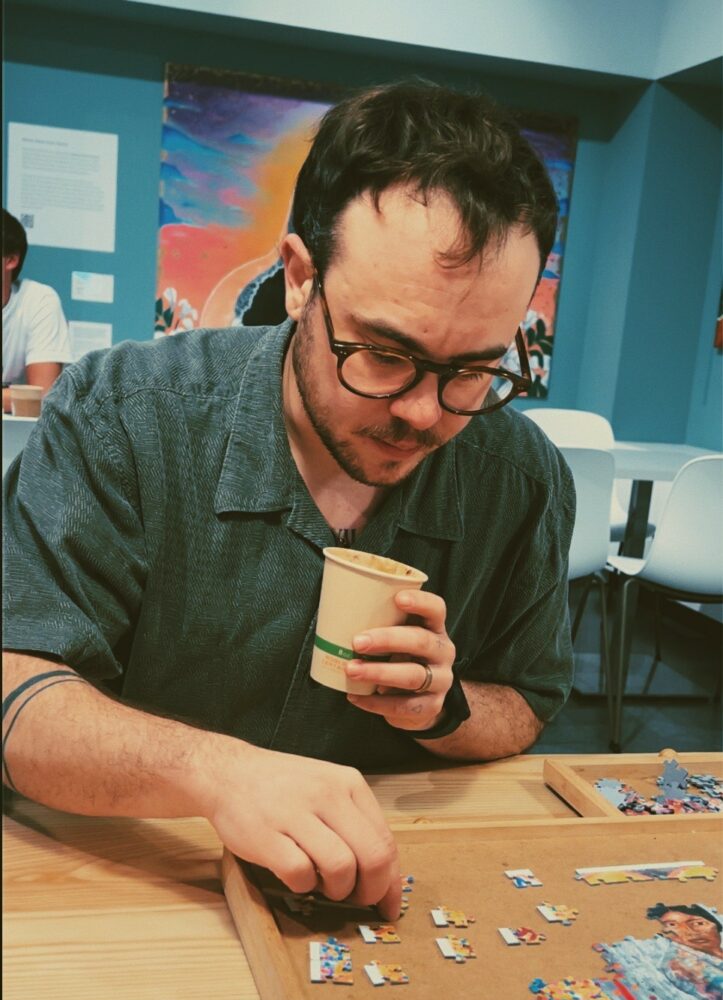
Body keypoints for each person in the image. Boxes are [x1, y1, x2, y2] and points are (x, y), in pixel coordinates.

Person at [3, 80, 574, 920]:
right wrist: (214, 771)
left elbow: (526, 701)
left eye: (474, 369)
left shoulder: (519, 476)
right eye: (383, 353)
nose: (423, 413)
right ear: (300, 278)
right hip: (119, 872)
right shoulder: (125, 412)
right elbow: (16, 684)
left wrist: (443, 708)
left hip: (386, 894)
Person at [2, 209, 72, 413]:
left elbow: (42, 395)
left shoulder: (39, 301)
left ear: (10, 260)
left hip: (21, 439)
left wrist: (26, 398)